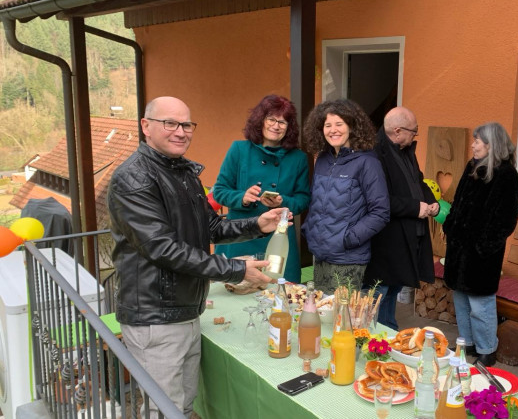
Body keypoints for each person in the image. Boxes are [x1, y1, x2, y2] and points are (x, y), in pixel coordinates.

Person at [108, 96, 288, 418]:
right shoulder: (133, 178)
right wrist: (236, 270)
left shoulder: (184, 172)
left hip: (187, 309)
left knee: (184, 406)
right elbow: (163, 249)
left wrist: (257, 224)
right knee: (163, 410)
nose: (180, 132)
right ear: (146, 126)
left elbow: (212, 227)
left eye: (186, 124)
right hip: (155, 316)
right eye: (170, 123)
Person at [442, 122, 518, 367]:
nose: (473, 145)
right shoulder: (472, 166)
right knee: (461, 300)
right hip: (459, 249)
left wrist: (483, 247)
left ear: (491, 145)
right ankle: (467, 343)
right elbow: (458, 201)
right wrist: (451, 227)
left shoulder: (506, 175)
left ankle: (487, 349)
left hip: (481, 255)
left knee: (480, 304)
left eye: (477, 141)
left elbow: (506, 220)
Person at [213, 95, 310, 283]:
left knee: (279, 292)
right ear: (261, 120)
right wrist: (242, 197)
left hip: (278, 238)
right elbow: (220, 191)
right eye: (271, 119)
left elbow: (303, 199)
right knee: (235, 291)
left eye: (282, 122)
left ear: (289, 127)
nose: (276, 126)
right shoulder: (239, 149)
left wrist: (282, 202)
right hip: (240, 237)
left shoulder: (298, 158)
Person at [301, 99, 389, 294]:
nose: (333, 130)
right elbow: (317, 201)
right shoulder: (323, 159)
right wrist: (309, 229)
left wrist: (347, 239)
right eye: (328, 125)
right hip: (320, 253)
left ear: (352, 126)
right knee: (320, 308)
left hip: (347, 258)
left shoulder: (367, 163)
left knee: (340, 312)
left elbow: (380, 212)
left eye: (339, 124)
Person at [363, 107, 438, 330]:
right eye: (413, 131)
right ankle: (374, 334)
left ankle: (388, 329)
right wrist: (415, 208)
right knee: (380, 291)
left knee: (395, 287)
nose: (415, 135)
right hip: (386, 238)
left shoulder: (405, 150)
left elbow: (418, 181)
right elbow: (378, 199)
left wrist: (430, 200)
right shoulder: (373, 153)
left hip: (407, 235)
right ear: (397, 131)